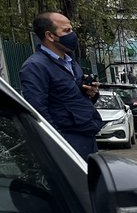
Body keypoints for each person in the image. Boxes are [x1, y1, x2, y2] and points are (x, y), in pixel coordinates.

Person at [18, 12, 103, 159]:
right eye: (66, 31)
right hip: (67, 141)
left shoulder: (71, 62)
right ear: (50, 36)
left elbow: (71, 98)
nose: (73, 35)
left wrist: (92, 94)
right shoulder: (35, 67)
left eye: (71, 29)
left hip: (87, 136)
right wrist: (60, 145)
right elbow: (38, 112)